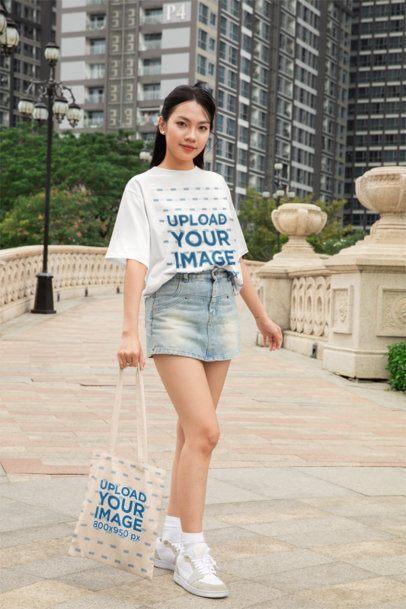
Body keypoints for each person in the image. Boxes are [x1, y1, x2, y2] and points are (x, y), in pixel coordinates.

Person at [104, 82, 283, 598]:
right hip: (175, 310)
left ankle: (169, 536)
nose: (192, 135)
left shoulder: (217, 186)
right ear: (162, 125)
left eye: (202, 127)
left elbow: (235, 257)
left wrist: (262, 317)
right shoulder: (143, 186)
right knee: (207, 431)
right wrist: (129, 327)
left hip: (220, 306)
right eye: (182, 123)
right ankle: (194, 552)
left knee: (189, 434)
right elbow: (137, 257)